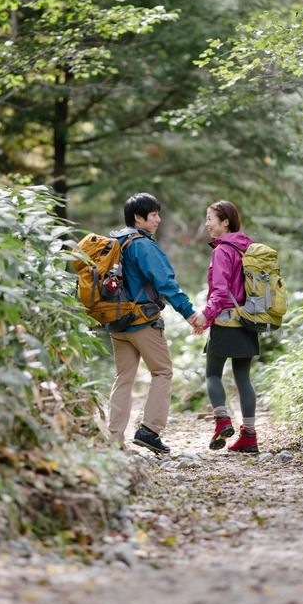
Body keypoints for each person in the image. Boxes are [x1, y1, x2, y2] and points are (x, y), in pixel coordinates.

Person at [107, 192, 205, 454]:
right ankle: (149, 430)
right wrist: (189, 314)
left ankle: (114, 439)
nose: (159, 220)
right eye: (154, 215)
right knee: (162, 372)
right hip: (143, 322)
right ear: (138, 218)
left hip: (117, 322)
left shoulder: (115, 242)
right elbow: (166, 284)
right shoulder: (143, 245)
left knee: (123, 378)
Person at [194, 200, 261, 453]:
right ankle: (250, 437)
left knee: (212, 374)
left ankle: (222, 421)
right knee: (243, 378)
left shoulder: (222, 250)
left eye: (210, 218)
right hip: (248, 320)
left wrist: (205, 317)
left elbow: (220, 292)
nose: (207, 224)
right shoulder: (248, 248)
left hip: (226, 321)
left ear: (225, 222)